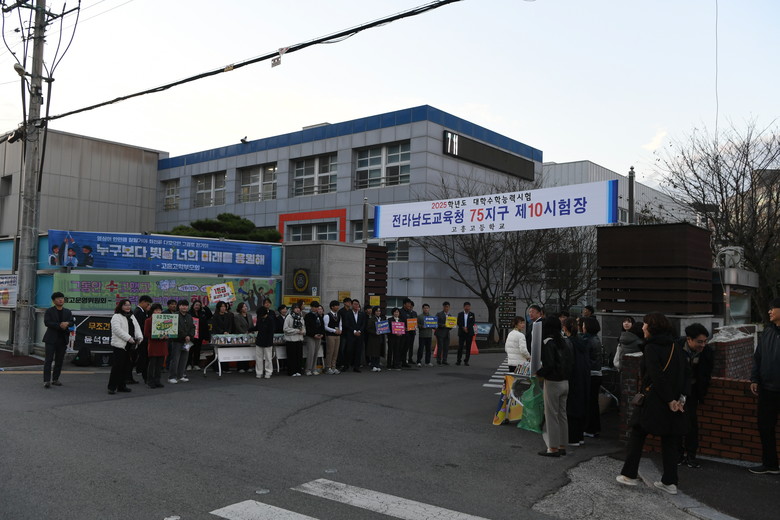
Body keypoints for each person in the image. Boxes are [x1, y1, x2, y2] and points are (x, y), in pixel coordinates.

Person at [617, 312, 688, 495]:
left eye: (645, 324)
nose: (642, 327)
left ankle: (629, 475)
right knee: (670, 440)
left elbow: (656, 376)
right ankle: (670, 482)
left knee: (637, 433)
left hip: (654, 400)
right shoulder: (676, 346)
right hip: (674, 400)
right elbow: (685, 374)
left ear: (652, 327)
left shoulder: (651, 348)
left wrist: (669, 399)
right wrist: (679, 399)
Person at [748, 298, 780, 475]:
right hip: (767, 389)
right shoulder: (767, 331)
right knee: (765, 427)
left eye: (773, 308)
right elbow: (758, 357)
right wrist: (754, 379)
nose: (769, 311)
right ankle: (770, 464)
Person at [675, 323, 713, 468]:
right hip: (676, 391)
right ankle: (677, 454)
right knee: (676, 422)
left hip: (693, 392)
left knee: (691, 423)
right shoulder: (676, 348)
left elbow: (706, 374)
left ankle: (691, 455)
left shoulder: (707, 352)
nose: (703, 345)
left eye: (705, 341)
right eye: (699, 342)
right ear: (689, 339)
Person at [537, 316, 573, 457]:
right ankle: (562, 445)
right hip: (565, 382)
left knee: (551, 415)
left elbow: (549, 365)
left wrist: (539, 372)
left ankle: (553, 448)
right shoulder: (565, 342)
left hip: (553, 382)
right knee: (562, 414)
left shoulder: (548, 343)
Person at [564, 317, 590, 447]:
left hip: (572, 378)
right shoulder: (581, 341)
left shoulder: (568, 343)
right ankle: (579, 437)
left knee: (571, 408)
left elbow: (568, 363)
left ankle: (573, 438)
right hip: (583, 377)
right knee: (580, 407)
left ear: (565, 328)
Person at [107, 299, 143, 395]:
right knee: (117, 367)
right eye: (125, 305)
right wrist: (129, 338)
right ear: (121, 306)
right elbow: (117, 330)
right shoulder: (116, 316)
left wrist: (139, 337)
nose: (128, 307)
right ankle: (112, 387)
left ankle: (122, 386)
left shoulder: (132, 316)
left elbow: (137, 328)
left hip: (130, 346)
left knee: (126, 367)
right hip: (120, 345)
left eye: (129, 305)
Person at [42, 291, 74, 388]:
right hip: (51, 339)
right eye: (58, 298)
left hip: (62, 339)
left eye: (62, 298)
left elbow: (71, 322)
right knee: (48, 360)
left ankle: (55, 379)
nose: (61, 300)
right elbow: (47, 322)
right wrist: (60, 325)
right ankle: (46, 380)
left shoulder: (67, 311)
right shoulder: (49, 311)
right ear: (54, 301)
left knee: (59, 360)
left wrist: (67, 323)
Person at [581, 316, 603, 438]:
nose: (582, 327)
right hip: (597, 373)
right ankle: (595, 428)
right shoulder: (596, 339)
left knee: (589, 403)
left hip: (590, 374)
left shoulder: (587, 340)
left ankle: (589, 428)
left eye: (584, 325)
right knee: (594, 403)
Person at [168, 300, 195, 384]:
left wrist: (190, 336)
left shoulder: (189, 316)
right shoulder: (175, 315)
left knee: (184, 359)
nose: (184, 307)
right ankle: (172, 377)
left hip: (187, 342)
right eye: (182, 305)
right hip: (177, 340)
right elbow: (176, 328)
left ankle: (181, 375)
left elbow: (192, 327)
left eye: (186, 305)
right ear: (179, 306)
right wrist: (185, 336)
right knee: (175, 359)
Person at [144, 303, 168, 389]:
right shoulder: (148, 320)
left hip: (162, 344)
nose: (158, 312)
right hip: (153, 344)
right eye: (156, 310)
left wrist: (167, 336)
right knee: (152, 364)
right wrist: (157, 336)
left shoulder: (165, 320)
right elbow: (146, 334)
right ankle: (150, 381)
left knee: (160, 364)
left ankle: (157, 380)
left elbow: (169, 331)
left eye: (159, 310)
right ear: (152, 311)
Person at [132, 295, 152, 384]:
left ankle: (143, 374)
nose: (149, 306)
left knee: (143, 358)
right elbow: (139, 326)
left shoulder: (143, 311)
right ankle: (145, 376)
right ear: (143, 302)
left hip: (143, 338)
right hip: (141, 339)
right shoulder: (138, 312)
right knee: (143, 358)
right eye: (148, 304)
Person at [211, 301, 235, 373]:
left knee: (226, 352)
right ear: (219, 307)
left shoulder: (228, 315)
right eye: (222, 306)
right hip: (218, 336)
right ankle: (217, 368)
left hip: (226, 336)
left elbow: (230, 325)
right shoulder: (215, 316)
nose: (223, 308)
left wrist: (228, 332)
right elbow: (215, 326)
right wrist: (222, 332)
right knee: (217, 353)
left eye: (224, 306)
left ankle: (225, 368)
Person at [343, 299, 367, 372]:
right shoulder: (348, 314)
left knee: (358, 351)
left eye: (357, 304)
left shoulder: (362, 314)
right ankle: (346, 365)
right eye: (355, 304)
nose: (356, 305)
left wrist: (359, 331)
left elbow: (363, 324)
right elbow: (346, 324)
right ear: (352, 305)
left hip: (359, 335)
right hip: (351, 335)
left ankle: (356, 367)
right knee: (348, 351)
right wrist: (354, 331)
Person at [283, 304, 306, 376]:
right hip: (291, 340)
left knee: (299, 357)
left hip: (299, 339)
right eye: (296, 308)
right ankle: (291, 371)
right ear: (293, 309)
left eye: (298, 308)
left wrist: (303, 331)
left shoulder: (301, 317)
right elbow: (285, 329)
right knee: (291, 357)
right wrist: (296, 331)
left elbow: (303, 327)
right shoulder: (289, 317)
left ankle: (298, 371)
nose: (297, 309)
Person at [303, 301, 325, 376]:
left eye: (317, 307)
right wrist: (313, 334)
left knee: (316, 353)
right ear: (311, 307)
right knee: (311, 353)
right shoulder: (308, 316)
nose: (316, 309)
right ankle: (308, 369)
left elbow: (322, 326)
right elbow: (307, 327)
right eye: (314, 307)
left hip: (319, 336)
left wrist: (322, 334)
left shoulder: (319, 316)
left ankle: (314, 368)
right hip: (311, 336)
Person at [189, 300, 211, 371]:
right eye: (196, 305)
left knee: (197, 350)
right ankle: (189, 364)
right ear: (193, 305)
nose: (197, 306)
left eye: (199, 305)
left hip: (200, 334)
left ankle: (196, 364)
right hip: (191, 335)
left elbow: (210, 315)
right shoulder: (189, 313)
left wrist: (205, 307)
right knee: (190, 350)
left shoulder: (202, 313)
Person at [233, 301, 255, 373]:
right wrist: (244, 332)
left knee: (247, 351)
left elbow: (251, 325)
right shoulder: (237, 316)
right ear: (240, 309)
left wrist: (251, 331)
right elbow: (238, 326)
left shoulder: (249, 315)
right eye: (243, 307)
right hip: (241, 336)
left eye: (246, 306)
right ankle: (240, 367)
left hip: (249, 336)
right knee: (241, 351)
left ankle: (247, 367)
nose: (245, 308)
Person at [254, 306, 275, 379]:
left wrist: (269, 342)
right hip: (259, 341)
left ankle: (268, 372)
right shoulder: (260, 319)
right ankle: (259, 372)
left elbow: (271, 332)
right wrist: (249, 329)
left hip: (268, 342)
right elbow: (257, 327)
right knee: (258, 358)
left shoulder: (270, 320)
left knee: (268, 358)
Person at [323, 300, 342, 375]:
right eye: (336, 305)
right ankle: (328, 367)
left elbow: (340, 324)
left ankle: (333, 366)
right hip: (330, 335)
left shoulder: (339, 315)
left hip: (337, 335)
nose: (337, 307)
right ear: (332, 307)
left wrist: (340, 330)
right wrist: (334, 330)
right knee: (330, 351)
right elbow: (325, 326)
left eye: (338, 305)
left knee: (336, 352)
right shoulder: (327, 316)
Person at [399, 298, 418, 366]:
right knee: (401, 348)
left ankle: (404, 362)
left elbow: (413, 321)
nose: (409, 305)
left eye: (410, 304)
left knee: (406, 348)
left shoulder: (410, 312)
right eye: (408, 304)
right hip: (402, 333)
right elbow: (398, 322)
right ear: (404, 304)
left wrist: (414, 326)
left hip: (410, 333)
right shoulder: (400, 311)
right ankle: (399, 362)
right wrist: (403, 327)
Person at [365, 306, 385, 372]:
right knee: (373, 352)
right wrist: (374, 332)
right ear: (374, 312)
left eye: (379, 311)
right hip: (373, 338)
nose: (378, 312)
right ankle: (373, 365)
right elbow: (368, 329)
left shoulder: (381, 319)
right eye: (377, 311)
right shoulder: (371, 319)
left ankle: (377, 365)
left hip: (380, 338)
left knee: (378, 352)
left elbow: (384, 327)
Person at [457, 301, 476, 366]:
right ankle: (458, 360)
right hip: (462, 332)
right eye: (466, 306)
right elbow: (458, 322)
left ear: (470, 307)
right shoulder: (460, 314)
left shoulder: (472, 314)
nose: (467, 308)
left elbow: (472, 322)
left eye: (468, 306)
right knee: (460, 347)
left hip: (469, 333)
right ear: (464, 307)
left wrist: (467, 328)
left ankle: (466, 361)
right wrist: (463, 327)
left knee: (468, 347)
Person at [336, 297, 352, 370]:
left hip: (350, 333)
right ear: (345, 303)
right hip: (343, 333)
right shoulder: (341, 311)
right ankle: (341, 363)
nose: (349, 303)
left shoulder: (351, 311)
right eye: (348, 302)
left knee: (348, 349)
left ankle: (347, 364)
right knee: (341, 349)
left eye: (350, 302)